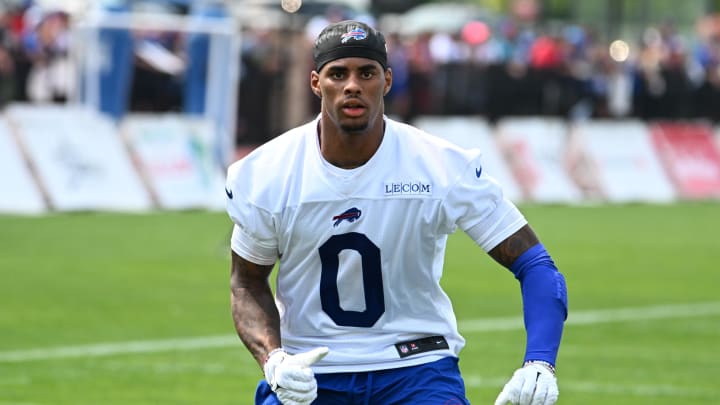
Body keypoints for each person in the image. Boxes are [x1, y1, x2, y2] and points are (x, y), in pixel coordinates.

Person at [225, 20, 568, 405]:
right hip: (310, 369)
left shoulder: (439, 166)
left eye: (366, 73)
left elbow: (536, 265)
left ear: (387, 81)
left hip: (416, 364)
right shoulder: (269, 172)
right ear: (316, 83)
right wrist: (274, 359)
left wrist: (540, 362)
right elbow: (247, 281)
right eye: (338, 73)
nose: (352, 85)